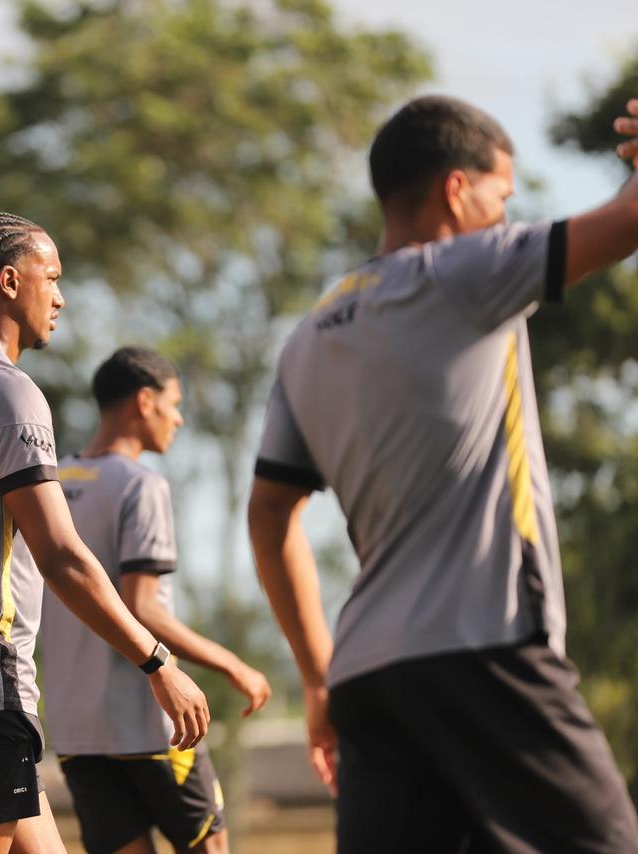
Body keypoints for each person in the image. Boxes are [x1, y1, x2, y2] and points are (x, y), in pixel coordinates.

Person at [248, 94, 638, 853]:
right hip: (483, 648)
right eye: (502, 197)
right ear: (457, 191)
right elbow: (628, 222)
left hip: (368, 677)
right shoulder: (462, 273)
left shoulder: (309, 337)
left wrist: (318, 676)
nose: (506, 218)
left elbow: (269, 515)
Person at [0, 212, 210, 854]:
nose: (60, 296)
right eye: (50, 277)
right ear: (7, 280)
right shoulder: (6, 391)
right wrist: (157, 662)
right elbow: (61, 556)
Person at [30, 347, 272, 854]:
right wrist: (233, 666)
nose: (179, 417)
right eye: (174, 403)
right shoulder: (141, 485)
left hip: (76, 731)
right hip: (151, 724)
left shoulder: (48, 485)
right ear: (144, 401)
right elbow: (145, 607)